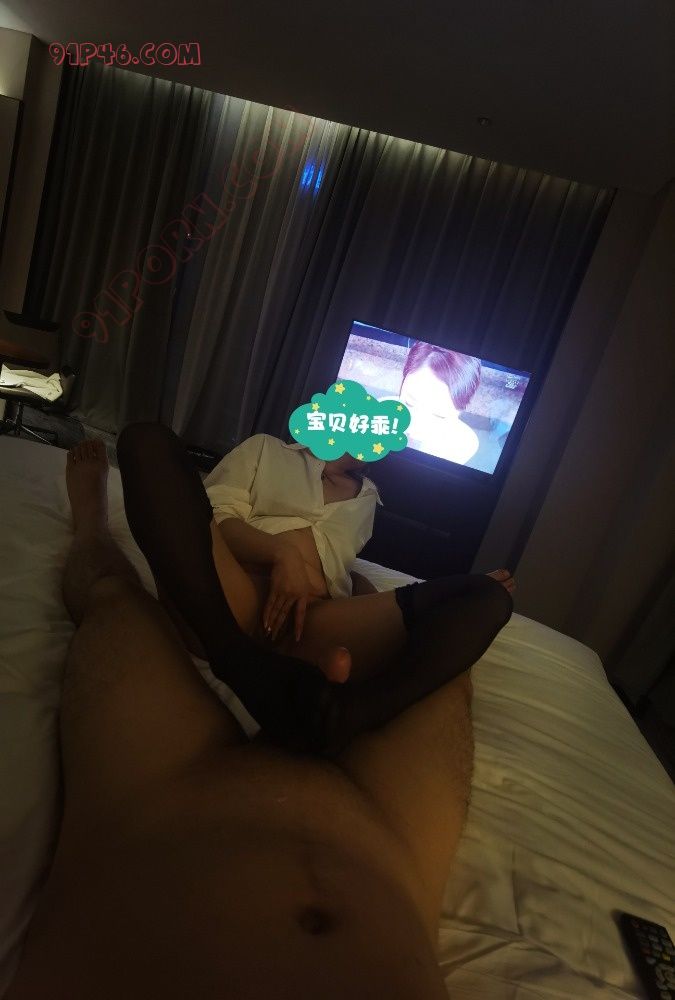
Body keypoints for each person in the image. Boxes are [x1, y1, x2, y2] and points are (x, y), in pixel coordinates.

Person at [6, 429, 514, 1000]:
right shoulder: (270, 452)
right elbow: (214, 510)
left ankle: (343, 713)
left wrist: (364, 599)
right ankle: (99, 531)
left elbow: (344, 562)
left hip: (310, 627)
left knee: (476, 612)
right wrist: (282, 554)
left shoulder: (367, 498)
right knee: (120, 562)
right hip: (234, 606)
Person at [397, 342, 482, 464]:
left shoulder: (464, 445)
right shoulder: (381, 414)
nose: (416, 429)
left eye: (439, 415)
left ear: (462, 408)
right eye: (409, 403)